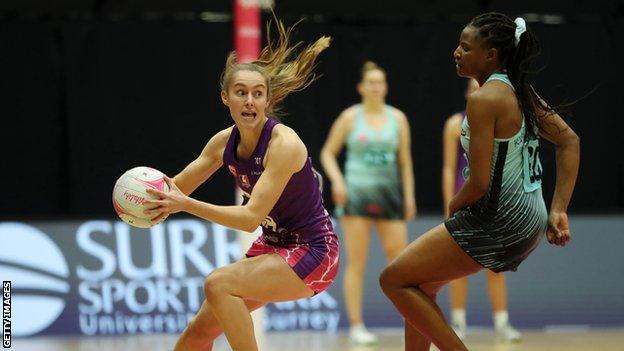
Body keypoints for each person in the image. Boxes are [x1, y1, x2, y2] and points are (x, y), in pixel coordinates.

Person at [379, 12, 580, 351]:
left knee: (393, 280)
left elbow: (480, 184)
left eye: (465, 47)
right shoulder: (520, 91)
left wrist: (455, 205)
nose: (456, 52)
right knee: (420, 285)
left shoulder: (484, 99)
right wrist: (558, 209)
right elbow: (569, 141)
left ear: (491, 55)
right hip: (532, 217)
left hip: (500, 219)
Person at [142, 18, 340, 351]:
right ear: (225, 98)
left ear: (267, 101)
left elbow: (249, 218)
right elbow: (175, 188)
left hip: (314, 252)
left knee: (218, 284)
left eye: (257, 94)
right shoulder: (223, 144)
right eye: (241, 92)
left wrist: (185, 205)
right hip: (274, 245)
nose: (250, 100)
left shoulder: (284, 144)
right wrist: (143, 202)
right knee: (197, 333)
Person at [321, 61, 416, 345]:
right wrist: (337, 180)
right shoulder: (350, 117)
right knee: (357, 263)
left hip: (390, 197)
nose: (376, 87)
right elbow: (327, 153)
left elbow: (405, 161)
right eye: (371, 82)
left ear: (386, 87)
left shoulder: (398, 119)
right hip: (355, 197)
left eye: (381, 82)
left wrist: (409, 196)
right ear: (361, 88)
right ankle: (356, 326)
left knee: (401, 264)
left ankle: (411, 320)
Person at [442, 78, 521, 342]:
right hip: (463, 201)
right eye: (473, 90)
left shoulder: (498, 124)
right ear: (467, 95)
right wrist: (448, 203)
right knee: (457, 267)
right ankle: (458, 322)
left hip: (492, 203)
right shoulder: (454, 124)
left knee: (495, 266)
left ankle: (501, 323)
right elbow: (447, 168)